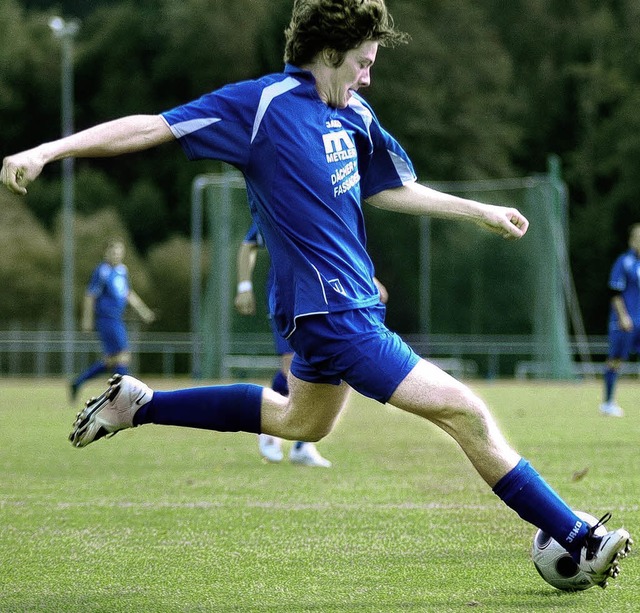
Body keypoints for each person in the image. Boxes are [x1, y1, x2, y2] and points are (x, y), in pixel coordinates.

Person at [1, 0, 631, 588]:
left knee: (300, 422)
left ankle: (141, 404)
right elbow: (154, 127)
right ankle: (573, 534)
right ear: (330, 52)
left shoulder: (354, 113)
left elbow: (388, 188)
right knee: (464, 411)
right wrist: (48, 149)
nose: (368, 77)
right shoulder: (264, 104)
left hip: (340, 308)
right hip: (333, 312)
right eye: (363, 63)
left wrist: (479, 212)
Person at [235, 221, 332, 466]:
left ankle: (302, 446)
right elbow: (249, 244)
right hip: (285, 297)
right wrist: (244, 286)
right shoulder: (276, 200)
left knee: (320, 369)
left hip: (321, 295)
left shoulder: (319, 198)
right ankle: (269, 430)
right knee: (291, 370)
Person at [70, 238, 156, 401]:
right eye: (113, 252)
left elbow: (128, 293)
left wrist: (144, 312)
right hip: (106, 319)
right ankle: (130, 393)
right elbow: (90, 296)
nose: (116, 255)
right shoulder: (102, 271)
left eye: (119, 252)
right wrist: (86, 320)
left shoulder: (123, 270)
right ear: (106, 253)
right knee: (123, 354)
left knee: (111, 360)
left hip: (117, 318)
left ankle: (78, 382)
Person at [600, 223, 640, 417]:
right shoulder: (624, 262)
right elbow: (615, 292)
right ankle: (608, 403)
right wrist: (623, 316)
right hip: (625, 321)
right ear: (632, 240)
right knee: (616, 360)